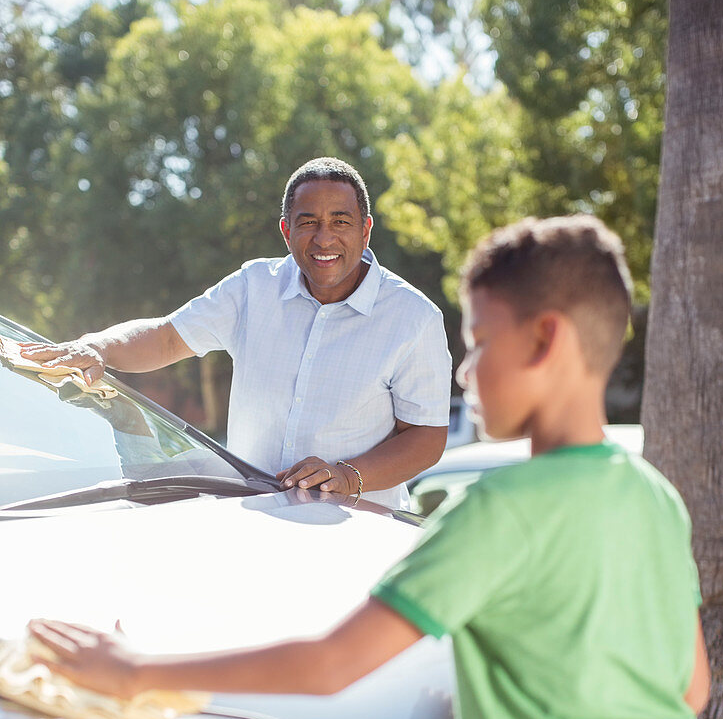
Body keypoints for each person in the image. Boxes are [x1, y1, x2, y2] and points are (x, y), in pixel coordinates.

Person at [30, 215, 723, 719]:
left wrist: (134, 675)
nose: (464, 374)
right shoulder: (650, 493)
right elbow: (688, 691)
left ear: (543, 342)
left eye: (477, 344)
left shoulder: (499, 510)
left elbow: (333, 665)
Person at [19, 157, 451, 509]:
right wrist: (97, 346)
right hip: (251, 525)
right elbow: (167, 336)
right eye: (308, 222)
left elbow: (427, 437)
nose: (324, 238)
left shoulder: (414, 319)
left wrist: (347, 475)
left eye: (340, 221)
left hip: (357, 534)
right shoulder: (252, 287)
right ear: (286, 231)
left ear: (365, 228)